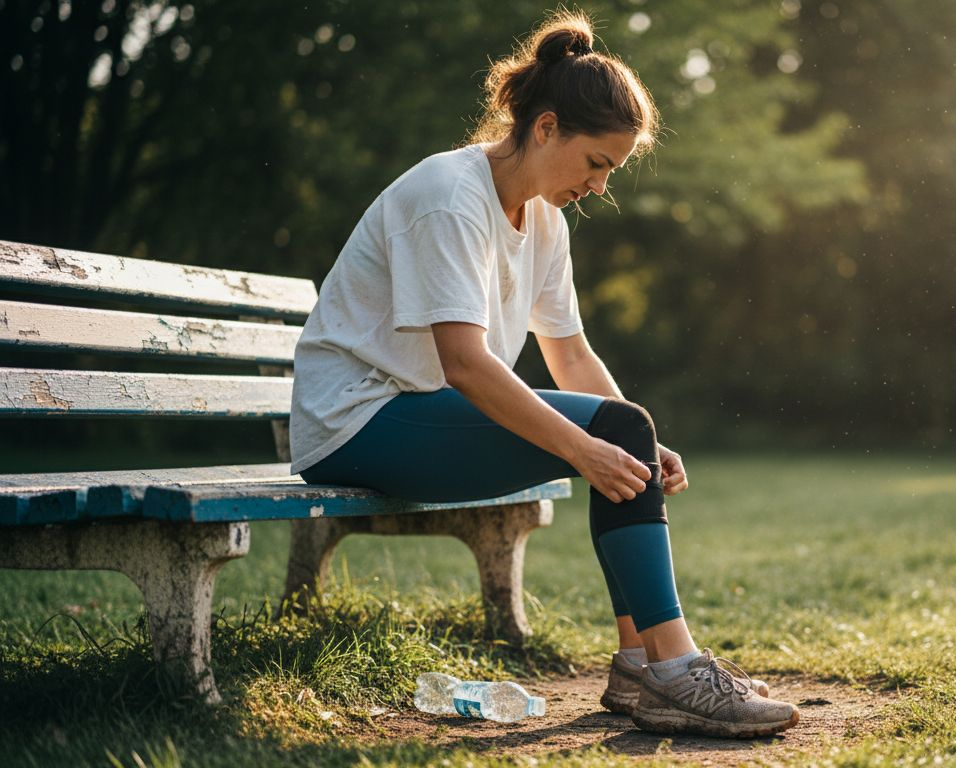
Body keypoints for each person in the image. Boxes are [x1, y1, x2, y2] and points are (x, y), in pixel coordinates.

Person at [287, 11, 800, 739]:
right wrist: (584, 446)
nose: (598, 186)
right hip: (356, 421)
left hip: (413, 412)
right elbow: (466, 364)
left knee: (624, 433)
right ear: (547, 127)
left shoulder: (546, 222)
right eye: (596, 163)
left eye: (610, 173)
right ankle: (676, 667)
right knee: (609, 438)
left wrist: (633, 444)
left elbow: (572, 355)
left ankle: (640, 665)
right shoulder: (450, 198)